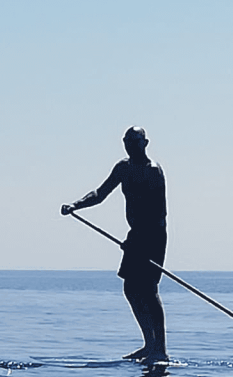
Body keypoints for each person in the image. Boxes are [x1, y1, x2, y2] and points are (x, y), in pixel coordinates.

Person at [62, 127, 169, 362]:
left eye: (135, 141)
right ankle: (148, 344)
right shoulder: (123, 168)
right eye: (127, 141)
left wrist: (142, 244)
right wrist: (74, 205)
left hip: (154, 236)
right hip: (136, 235)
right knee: (131, 288)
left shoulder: (153, 171)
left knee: (149, 290)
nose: (130, 145)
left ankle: (160, 349)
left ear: (145, 142)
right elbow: (100, 193)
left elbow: (160, 214)